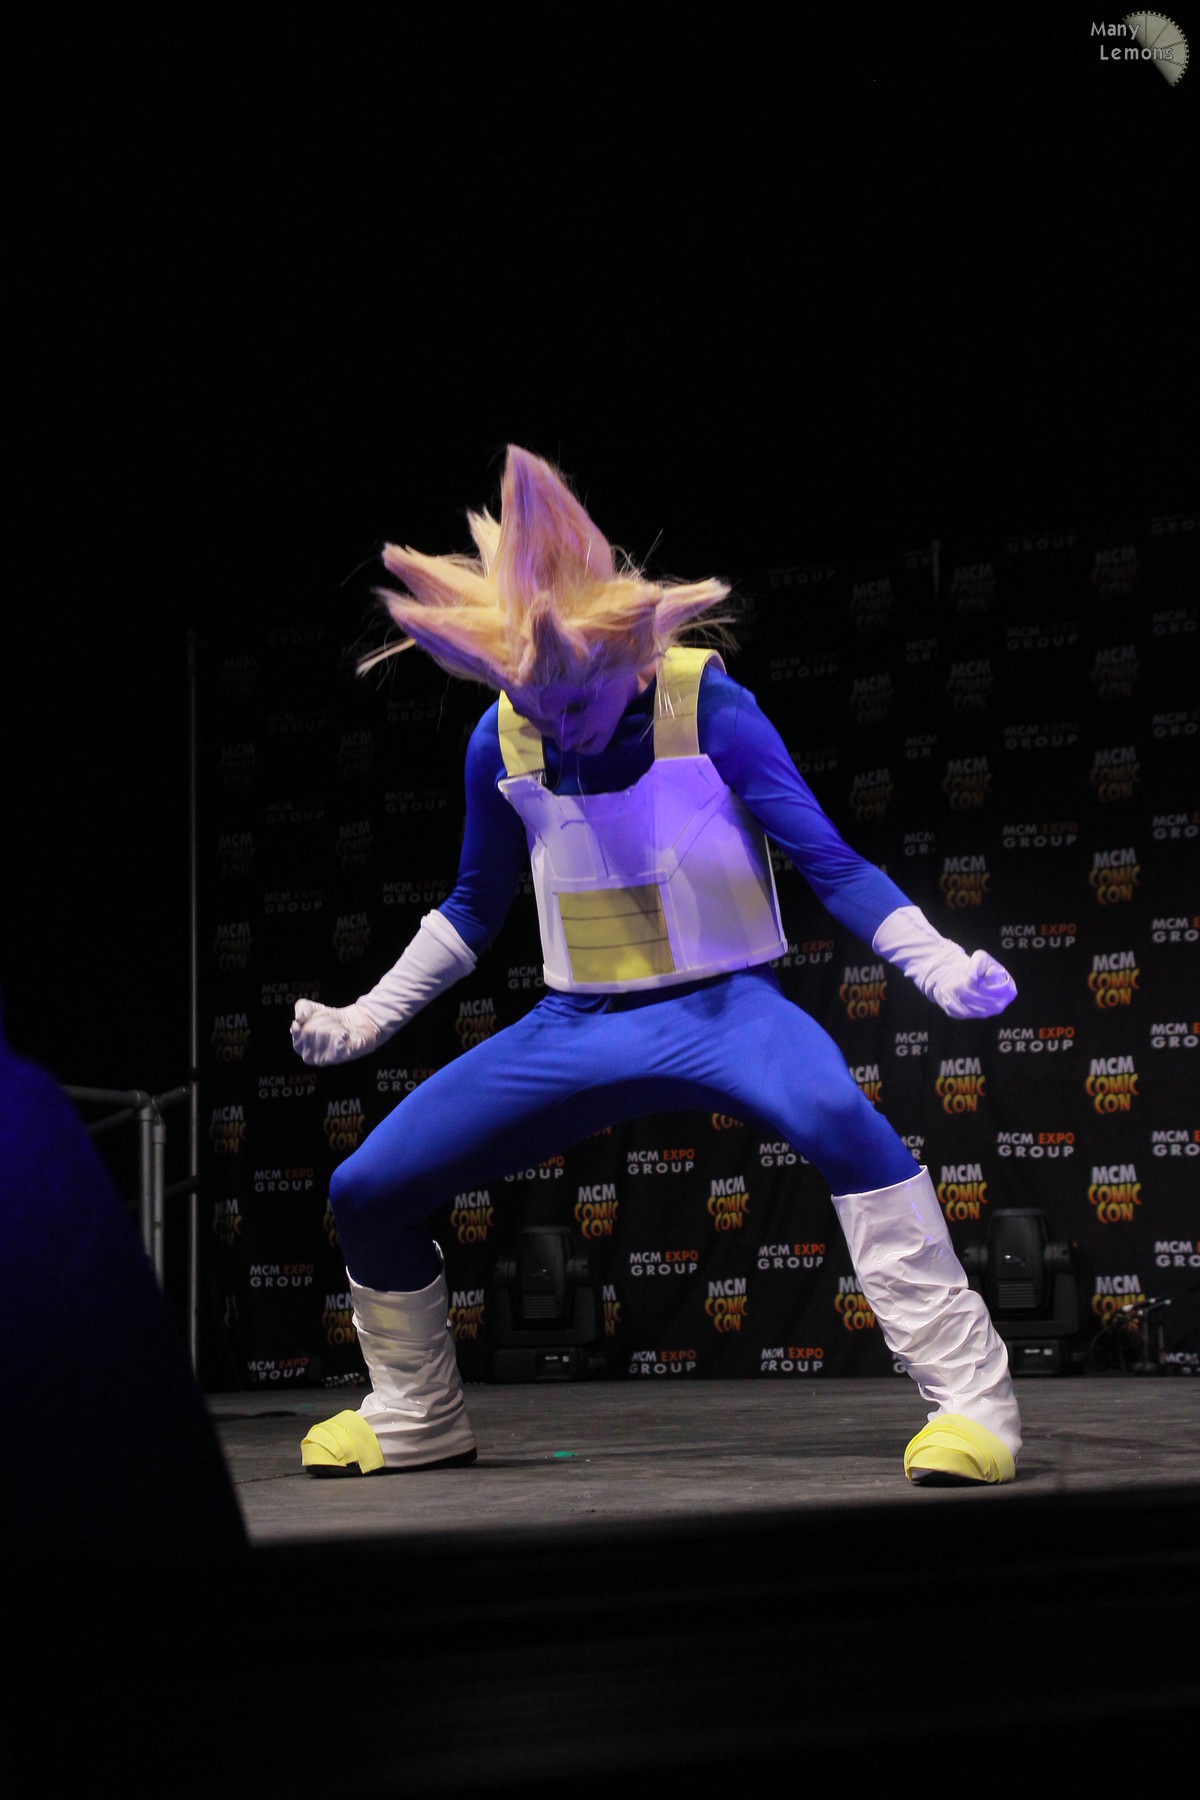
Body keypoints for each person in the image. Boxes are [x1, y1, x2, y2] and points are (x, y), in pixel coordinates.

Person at [291, 446, 1022, 1486]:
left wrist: (939, 967)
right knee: (366, 1188)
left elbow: (829, 861)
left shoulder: (710, 708)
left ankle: (974, 1402)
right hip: (575, 1026)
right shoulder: (502, 738)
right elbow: (472, 908)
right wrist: (366, 1016)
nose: (556, 731)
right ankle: (415, 1412)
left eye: (573, 708)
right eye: (534, 708)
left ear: (624, 663)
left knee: (842, 1122)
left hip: (728, 1011)